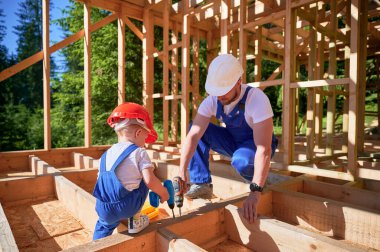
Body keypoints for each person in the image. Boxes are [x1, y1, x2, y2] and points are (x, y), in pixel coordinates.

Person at [178, 54, 278, 223]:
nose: (219, 97)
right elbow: (193, 136)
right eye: (216, 92)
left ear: (239, 81)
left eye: (223, 92)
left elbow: (264, 149)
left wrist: (255, 192)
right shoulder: (212, 101)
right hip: (233, 141)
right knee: (194, 128)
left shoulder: (257, 100)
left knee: (242, 161)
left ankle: (259, 180)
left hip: (255, 145)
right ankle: (202, 184)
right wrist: (181, 171)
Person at [92, 102, 169, 240]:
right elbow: (150, 181)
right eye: (145, 138)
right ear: (138, 132)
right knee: (145, 177)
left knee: (104, 225)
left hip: (103, 207)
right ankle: (136, 221)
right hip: (128, 207)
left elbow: (101, 182)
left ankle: (96, 246)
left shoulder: (106, 154)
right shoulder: (139, 152)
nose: (145, 143)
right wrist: (163, 193)